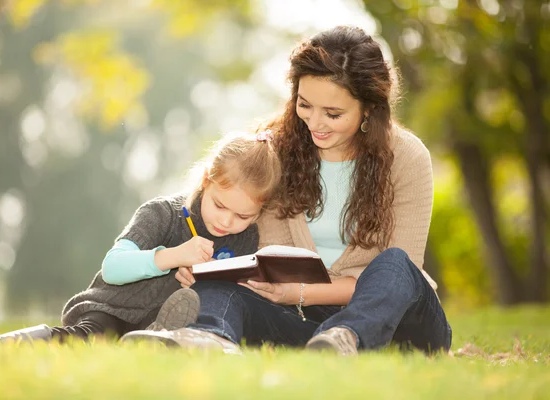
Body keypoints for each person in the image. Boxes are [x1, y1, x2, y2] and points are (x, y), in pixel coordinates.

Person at [121, 25, 452, 356]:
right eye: (305, 105)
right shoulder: (272, 150)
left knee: (395, 264)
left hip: (399, 325)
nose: (315, 123)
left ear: (369, 108)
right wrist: (200, 264)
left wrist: (300, 292)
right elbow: (222, 208)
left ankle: (347, 337)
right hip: (302, 322)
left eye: (333, 113)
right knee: (220, 288)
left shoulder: (407, 158)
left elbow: (402, 279)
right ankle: (210, 338)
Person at [0, 131, 282, 345]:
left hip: (164, 325)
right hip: (112, 309)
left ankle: (152, 337)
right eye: (220, 205)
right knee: (89, 337)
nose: (227, 221)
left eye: (243, 216)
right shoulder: (163, 213)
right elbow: (113, 268)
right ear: (206, 181)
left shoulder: (245, 239)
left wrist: (204, 283)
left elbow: (227, 293)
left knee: (180, 332)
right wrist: (172, 257)